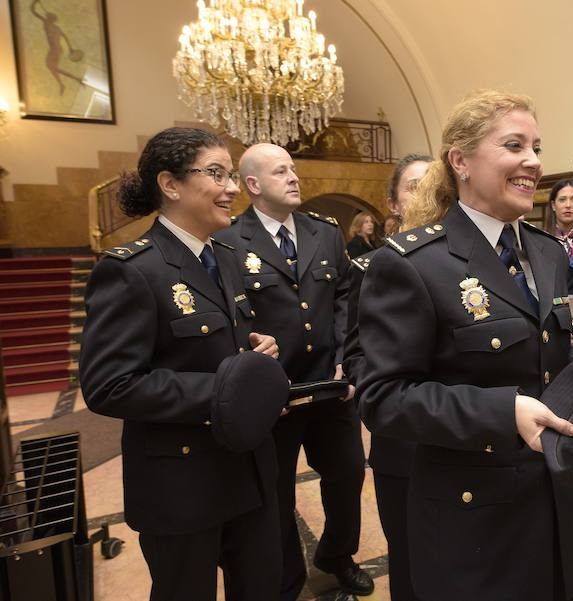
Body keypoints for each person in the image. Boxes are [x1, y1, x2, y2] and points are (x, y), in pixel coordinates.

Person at [357, 90, 573, 601]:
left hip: (552, 503)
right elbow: (384, 397)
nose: (534, 161)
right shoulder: (414, 263)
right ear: (460, 161)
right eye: (514, 145)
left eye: (537, 146)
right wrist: (501, 412)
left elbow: (547, 361)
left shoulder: (546, 253)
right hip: (474, 520)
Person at [78, 127, 281, 601]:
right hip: (182, 482)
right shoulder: (131, 270)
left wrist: (259, 354)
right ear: (170, 185)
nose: (232, 188)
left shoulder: (227, 256)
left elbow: (229, 347)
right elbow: (109, 385)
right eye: (216, 174)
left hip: (247, 469)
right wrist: (230, 390)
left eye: (231, 175)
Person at [215, 143, 370, 599]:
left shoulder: (325, 232)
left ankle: (337, 556)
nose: (294, 177)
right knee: (276, 494)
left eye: (294, 169)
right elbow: (234, 316)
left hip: (329, 384)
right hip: (274, 397)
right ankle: (287, 580)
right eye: (281, 171)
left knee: (347, 475)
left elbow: (345, 295)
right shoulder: (228, 240)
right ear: (253, 185)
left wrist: (346, 353)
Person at [343, 152, 433, 601]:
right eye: (414, 185)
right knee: (411, 562)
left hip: (462, 437)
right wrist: (383, 382)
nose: (426, 192)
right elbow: (355, 350)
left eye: (433, 182)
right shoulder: (372, 267)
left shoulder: (466, 264)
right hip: (402, 438)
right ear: (393, 203)